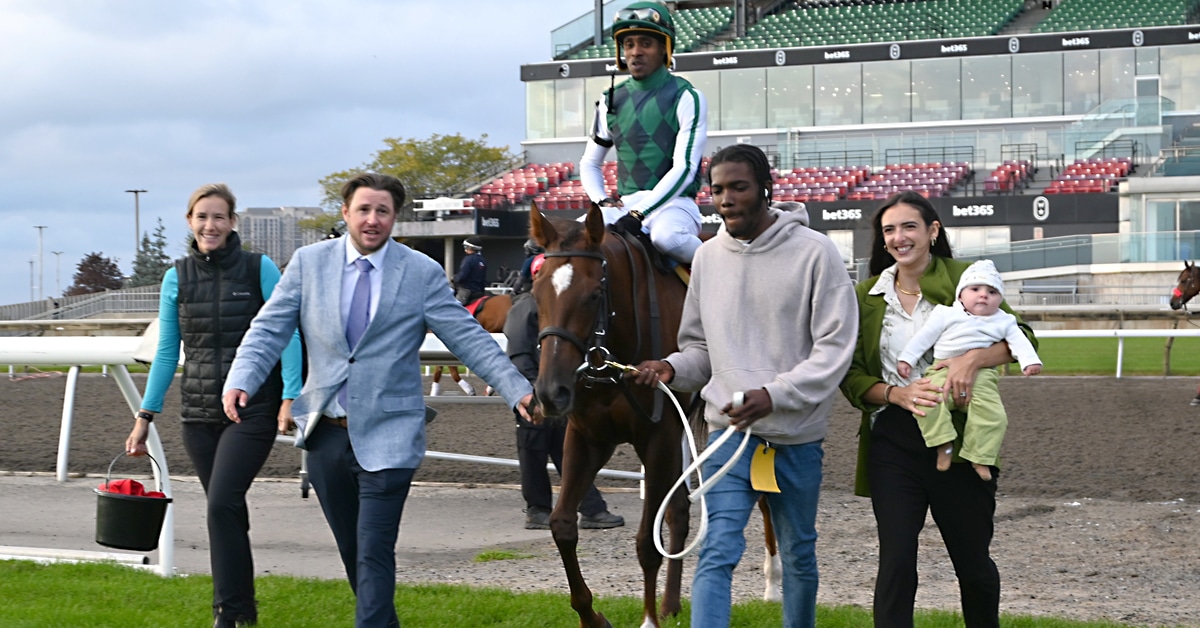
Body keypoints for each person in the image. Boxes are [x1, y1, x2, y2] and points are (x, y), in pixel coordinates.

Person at [221, 173, 534, 628]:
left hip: (390, 434)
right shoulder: (308, 264)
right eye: (363, 209)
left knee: (373, 550)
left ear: (395, 218)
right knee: (355, 553)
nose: (372, 219)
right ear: (345, 213)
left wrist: (515, 385)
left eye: (382, 211)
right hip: (325, 433)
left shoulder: (421, 272)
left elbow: (467, 337)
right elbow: (269, 328)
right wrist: (242, 378)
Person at [631, 144, 858, 628]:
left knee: (798, 555)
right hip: (728, 438)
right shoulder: (708, 258)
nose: (727, 199)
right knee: (716, 552)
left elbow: (834, 349)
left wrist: (773, 395)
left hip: (795, 440)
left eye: (739, 187)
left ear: (765, 189)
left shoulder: (816, 253)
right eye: (717, 190)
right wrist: (672, 368)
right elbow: (701, 350)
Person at [839, 190, 1038, 628]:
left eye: (909, 226)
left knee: (973, 564)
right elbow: (851, 376)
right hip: (892, 440)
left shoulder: (969, 279)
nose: (898, 237)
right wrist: (896, 395)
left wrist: (973, 360)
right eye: (888, 229)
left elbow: (1022, 335)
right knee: (895, 561)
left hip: (963, 437)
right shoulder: (864, 295)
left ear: (932, 231)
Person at [124, 183, 302, 628]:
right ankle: (244, 611)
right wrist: (145, 415)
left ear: (232, 222)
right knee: (227, 511)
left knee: (221, 503)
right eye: (202, 217)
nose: (210, 225)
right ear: (190, 222)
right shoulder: (176, 277)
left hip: (253, 409)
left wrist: (289, 397)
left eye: (219, 216)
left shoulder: (259, 268)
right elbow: (168, 351)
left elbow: (289, 333)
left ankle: (226, 612)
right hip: (198, 415)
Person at [580, 1, 707, 265]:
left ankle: (725, 274)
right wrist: (601, 201)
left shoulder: (687, 96)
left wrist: (640, 214)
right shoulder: (610, 100)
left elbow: (685, 168)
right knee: (570, 237)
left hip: (675, 205)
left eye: (645, 44)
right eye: (629, 44)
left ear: (664, 48)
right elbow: (590, 162)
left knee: (667, 238)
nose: (635, 52)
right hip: (624, 206)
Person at [504, 253, 624, 530]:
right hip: (534, 390)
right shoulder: (524, 308)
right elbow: (520, 354)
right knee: (534, 450)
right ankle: (539, 509)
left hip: (552, 387)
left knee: (565, 449)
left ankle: (591, 508)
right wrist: (531, 389)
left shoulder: (548, 306)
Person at [896, 259, 1043, 481]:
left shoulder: (1005, 320)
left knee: (994, 416)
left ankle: (980, 456)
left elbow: (1020, 343)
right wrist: (907, 359)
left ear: (1000, 299)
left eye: (992, 292)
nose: (983, 295)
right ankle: (943, 443)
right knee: (926, 402)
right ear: (960, 295)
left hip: (983, 375)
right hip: (941, 370)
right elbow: (923, 338)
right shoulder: (945, 313)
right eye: (975, 289)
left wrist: (1029, 362)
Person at [453, 238, 487, 305]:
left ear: (470, 248)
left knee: (455, 308)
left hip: (467, 290)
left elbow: (462, 276)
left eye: (465, 246)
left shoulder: (468, 259)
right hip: (479, 291)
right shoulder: (482, 260)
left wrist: (455, 278)